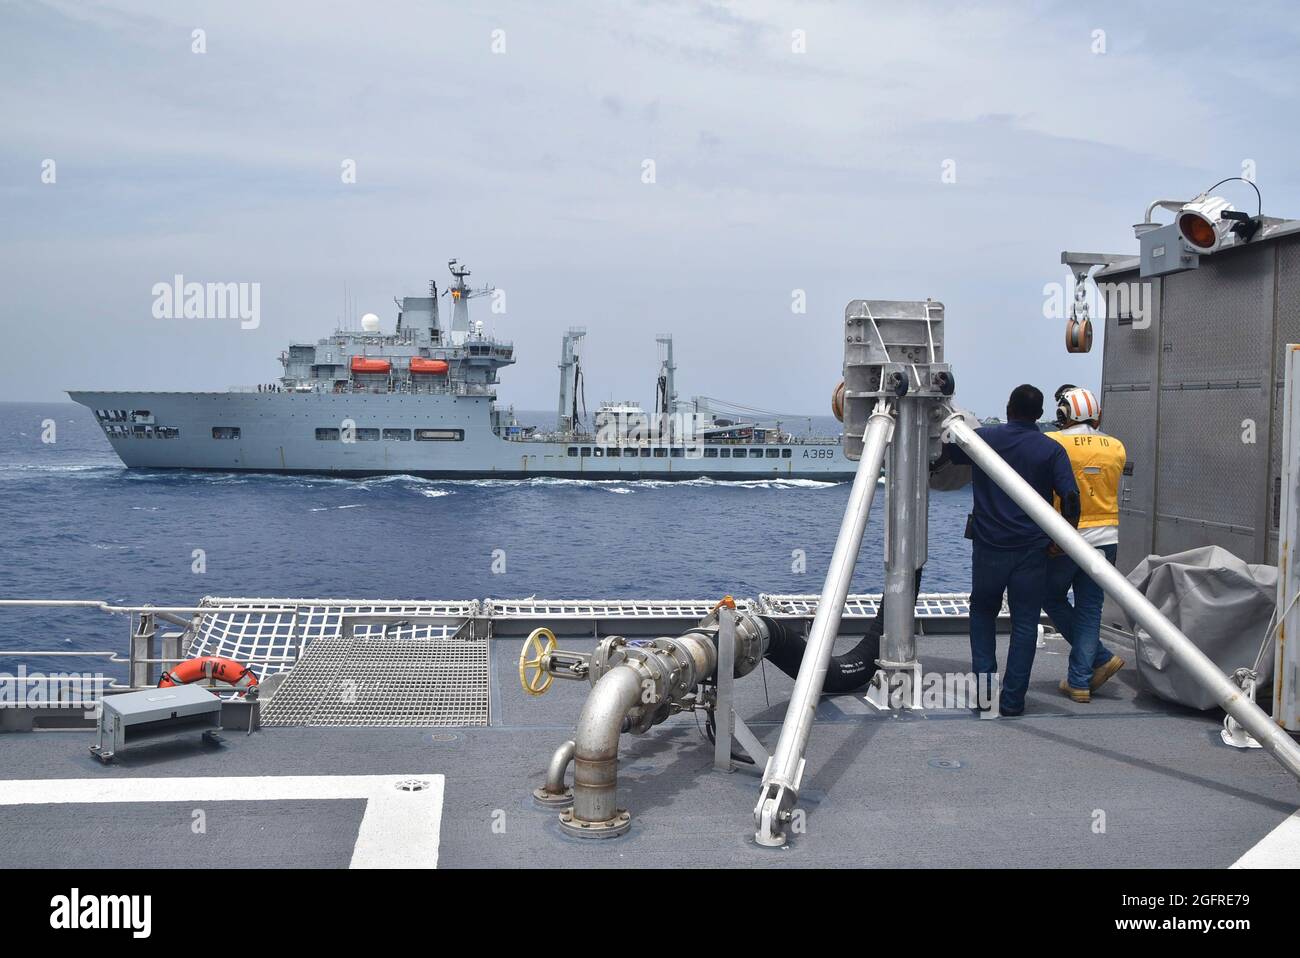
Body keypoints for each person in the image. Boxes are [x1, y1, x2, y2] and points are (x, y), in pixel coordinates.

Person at [945, 385, 1080, 715]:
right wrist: (1062, 539)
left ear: (1008, 407)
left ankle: (985, 695)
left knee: (981, 614)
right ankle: (1013, 700)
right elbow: (1072, 498)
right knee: (1024, 624)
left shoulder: (985, 439)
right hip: (1032, 551)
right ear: (1039, 414)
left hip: (988, 548)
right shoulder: (1050, 450)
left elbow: (948, 452)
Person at [1043, 385, 1126, 703]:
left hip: (1066, 536)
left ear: (1064, 414)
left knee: (1048, 596)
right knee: (1091, 608)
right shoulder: (1116, 447)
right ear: (1096, 414)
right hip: (1107, 537)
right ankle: (1079, 680)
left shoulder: (1052, 442)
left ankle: (1100, 659)